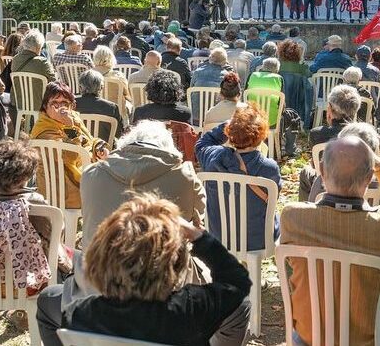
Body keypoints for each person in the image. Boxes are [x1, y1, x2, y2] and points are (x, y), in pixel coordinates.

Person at [37, 194, 250, 346]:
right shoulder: (192, 310)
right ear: (174, 264)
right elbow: (238, 286)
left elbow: (47, 302)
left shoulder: (80, 312)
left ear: (102, 256)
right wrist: (198, 235)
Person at [280, 136, 380, 345]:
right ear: (369, 176)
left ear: (321, 170)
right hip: (369, 340)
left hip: (309, 338)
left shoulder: (293, 218)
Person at [0, 139, 71, 299]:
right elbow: (52, 244)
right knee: (74, 256)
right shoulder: (34, 203)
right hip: (29, 284)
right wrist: (69, 268)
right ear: (24, 176)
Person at [80, 120, 206, 248]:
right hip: (163, 264)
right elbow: (197, 218)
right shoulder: (186, 177)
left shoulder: (91, 174)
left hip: (98, 263)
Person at [196, 105, 282, 250]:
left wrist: (229, 125)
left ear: (229, 132)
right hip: (257, 240)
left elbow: (202, 143)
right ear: (261, 135)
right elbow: (273, 198)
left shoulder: (212, 157)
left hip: (217, 236)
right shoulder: (269, 168)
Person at [29, 82, 105, 211]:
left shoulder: (73, 118)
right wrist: (70, 127)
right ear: (45, 107)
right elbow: (71, 156)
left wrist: (99, 147)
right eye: (55, 104)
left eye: (65, 103)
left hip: (82, 175)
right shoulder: (44, 130)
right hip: (63, 190)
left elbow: (88, 140)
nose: (61, 109)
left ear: (72, 106)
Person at [298, 85, 362, 200]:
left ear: (330, 109)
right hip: (357, 186)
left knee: (305, 172)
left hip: (325, 184)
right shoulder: (364, 135)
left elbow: (315, 165)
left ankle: (306, 210)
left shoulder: (316, 134)